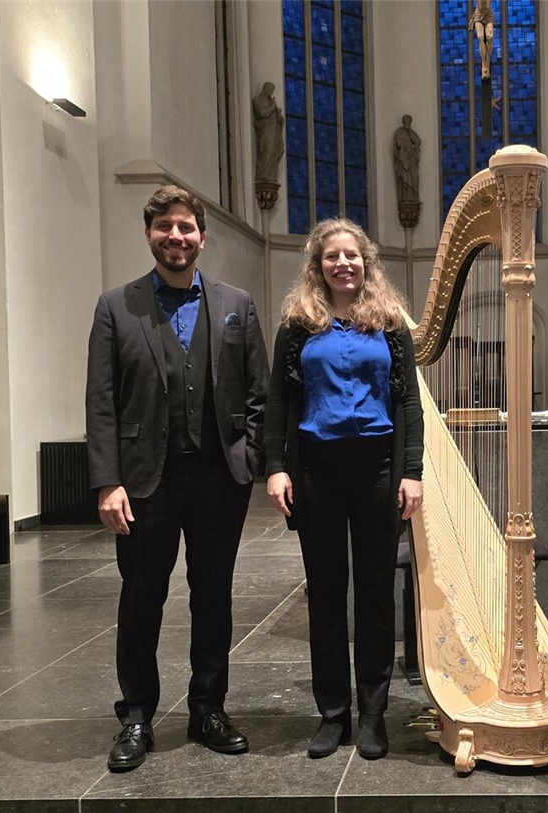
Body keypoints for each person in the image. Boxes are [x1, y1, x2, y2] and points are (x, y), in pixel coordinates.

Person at [86, 185, 269, 772]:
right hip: (144, 480)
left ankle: (207, 708)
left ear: (202, 236)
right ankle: (137, 713)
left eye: (187, 227)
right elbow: (102, 402)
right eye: (166, 226)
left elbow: (261, 393)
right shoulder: (116, 306)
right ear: (149, 234)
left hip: (219, 477)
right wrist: (106, 481)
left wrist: (252, 457)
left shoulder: (236, 302)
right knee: (142, 598)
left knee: (213, 596)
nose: (177, 237)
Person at [264, 218, 423, 760]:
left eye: (352, 255)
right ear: (318, 265)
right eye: (332, 256)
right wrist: (276, 466)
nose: (343, 264)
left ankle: (374, 714)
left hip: (378, 466)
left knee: (376, 594)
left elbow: (408, 404)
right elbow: (279, 402)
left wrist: (412, 471)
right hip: (317, 470)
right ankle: (333, 713)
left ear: (366, 263)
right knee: (326, 594)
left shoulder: (390, 324)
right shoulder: (297, 325)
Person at [252, 81, 285, 184]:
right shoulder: (257, 101)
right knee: (267, 150)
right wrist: (272, 106)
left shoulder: (271, 102)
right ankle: (263, 174)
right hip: (265, 131)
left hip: (274, 131)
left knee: (273, 151)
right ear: (265, 89)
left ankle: (270, 174)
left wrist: (279, 117)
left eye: (272, 91)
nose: (271, 93)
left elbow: (278, 117)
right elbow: (262, 113)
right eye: (270, 90)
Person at [392, 115, 421, 206]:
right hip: (403, 158)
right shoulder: (399, 132)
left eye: (409, 122)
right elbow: (397, 144)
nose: (407, 123)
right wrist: (405, 148)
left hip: (411, 158)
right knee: (404, 177)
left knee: (414, 176)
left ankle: (413, 197)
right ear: (403, 122)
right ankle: (405, 197)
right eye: (406, 121)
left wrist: (412, 145)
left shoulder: (412, 133)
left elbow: (418, 142)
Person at [468, 0, 495, 80]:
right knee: (480, 37)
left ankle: (487, 63)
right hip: (478, 14)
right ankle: (485, 65)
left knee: (489, 37)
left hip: (488, 14)